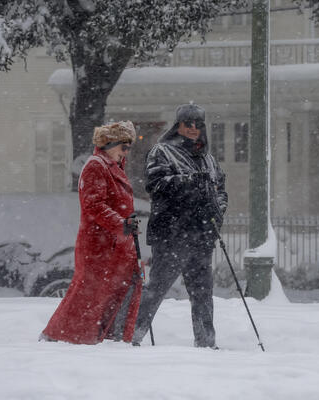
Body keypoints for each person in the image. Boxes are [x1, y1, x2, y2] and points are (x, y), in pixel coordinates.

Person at [132, 104, 228, 348]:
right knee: (157, 289)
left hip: (202, 236)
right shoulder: (162, 152)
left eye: (198, 124)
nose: (193, 129)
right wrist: (190, 182)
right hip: (172, 234)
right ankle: (131, 335)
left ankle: (206, 342)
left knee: (203, 293)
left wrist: (217, 212)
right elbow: (156, 185)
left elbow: (220, 190)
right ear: (179, 125)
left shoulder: (208, 159)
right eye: (188, 124)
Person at [40, 121, 143, 344]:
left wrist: (125, 223)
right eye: (124, 147)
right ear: (110, 143)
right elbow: (93, 205)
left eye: (129, 148)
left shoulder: (112, 166)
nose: (126, 152)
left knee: (107, 294)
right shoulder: (96, 166)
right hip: (99, 246)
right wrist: (121, 223)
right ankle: (59, 337)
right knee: (86, 295)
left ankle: (100, 337)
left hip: (114, 245)